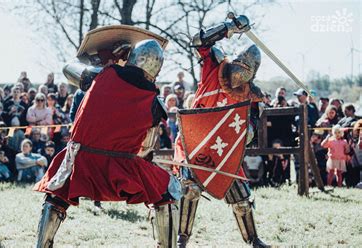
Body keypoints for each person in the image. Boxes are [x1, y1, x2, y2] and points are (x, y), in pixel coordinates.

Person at [33, 38, 181, 248]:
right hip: (120, 169)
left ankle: (42, 245)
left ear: (131, 58)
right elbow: (145, 149)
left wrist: (109, 58)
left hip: (80, 161)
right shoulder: (155, 104)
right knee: (168, 192)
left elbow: (68, 68)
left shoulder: (99, 74)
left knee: (57, 195)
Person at [174, 16, 268, 247]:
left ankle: (253, 239)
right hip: (194, 145)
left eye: (246, 72)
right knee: (190, 189)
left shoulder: (251, 97)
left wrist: (248, 133)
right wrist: (230, 28)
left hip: (223, 152)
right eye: (240, 67)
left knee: (242, 199)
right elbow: (199, 42)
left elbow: (250, 129)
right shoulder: (214, 68)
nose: (239, 75)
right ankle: (181, 238)